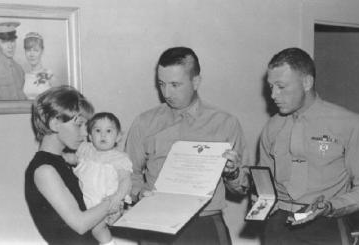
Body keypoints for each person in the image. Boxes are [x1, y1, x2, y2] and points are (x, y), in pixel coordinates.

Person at [125, 46, 250, 245]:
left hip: (204, 225)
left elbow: (242, 188)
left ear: (195, 81)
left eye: (175, 84)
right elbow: (129, 172)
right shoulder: (144, 122)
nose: (166, 92)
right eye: (161, 84)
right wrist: (139, 193)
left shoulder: (225, 123)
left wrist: (233, 173)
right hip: (156, 224)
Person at [259, 47, 359, 245]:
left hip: (326, 224)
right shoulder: (273, 126)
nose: (273, 95)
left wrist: (331, 206)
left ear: (307, 82)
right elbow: (264, 184)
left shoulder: (350, 123)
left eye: (281, 86)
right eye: (271, 86)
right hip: (278, 226)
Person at [25, 86, 122, 245]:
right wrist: (114, 199)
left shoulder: (62, 161)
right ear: (55, 124)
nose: (85, 133)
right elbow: (81, 224)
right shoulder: (44, 170)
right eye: (79, 125)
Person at [63, 112, 133, 245]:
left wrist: (116, 198)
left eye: (108, 131)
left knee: (97, 229)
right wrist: (63, 157)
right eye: (97, 130)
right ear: (90, 136)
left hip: (108, 202)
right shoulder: (86, 150)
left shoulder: (119, 158)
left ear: (118, 136)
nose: (103, 135)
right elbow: (75, 160)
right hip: (89, 203)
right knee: (89, 229)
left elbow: (126, 180)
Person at [23, 32, 53, 100]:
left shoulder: (50, 75)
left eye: (36, 50)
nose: (31, 54)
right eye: (28, 50)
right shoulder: (24, 76)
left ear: (42, 51)